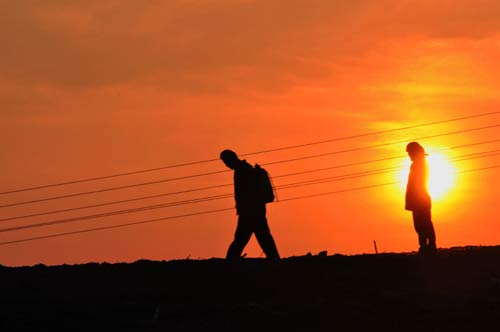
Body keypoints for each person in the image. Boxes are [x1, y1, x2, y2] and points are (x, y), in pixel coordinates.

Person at [220, 149, 280, 261]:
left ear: (231, 159)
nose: (226, 165)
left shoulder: (242, 170)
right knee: (261, 236)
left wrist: (243, 207)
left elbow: (246, 192)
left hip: (250, 211)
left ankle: (229, 262)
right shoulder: (244, 169)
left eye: (226, 162)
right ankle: (275, 259)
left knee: (242, 238)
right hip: (255, 209)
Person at [405, 142, 437, 254]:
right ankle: (425, 245)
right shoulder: (419, 164)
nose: (409, 155)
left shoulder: (420, 164)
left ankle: (429, 245)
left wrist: (414, 198)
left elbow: (416, 183)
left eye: (410, 153)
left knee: (423, 223)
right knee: (420, 224)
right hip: (417, 199)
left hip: (420, 199)